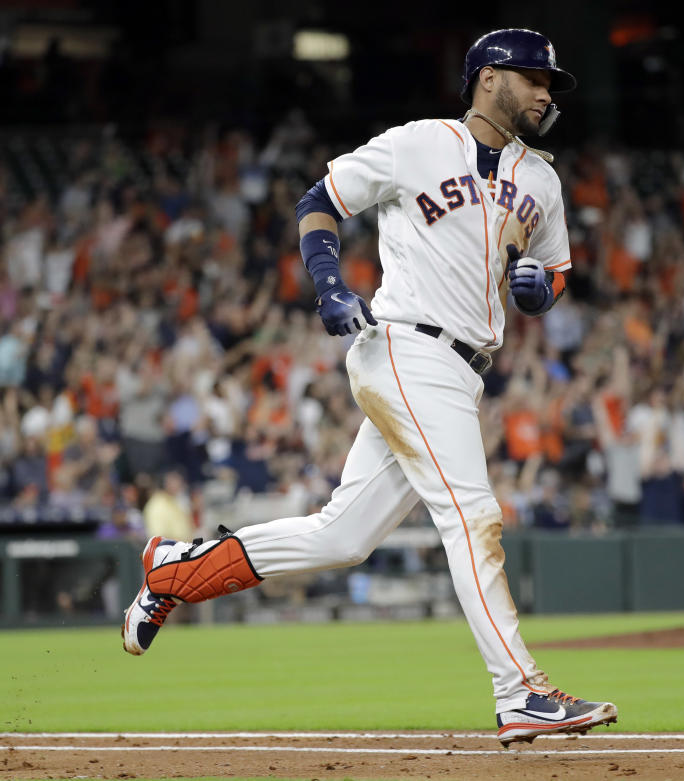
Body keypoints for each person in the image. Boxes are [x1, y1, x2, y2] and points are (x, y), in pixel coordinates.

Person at [121, 28, 617, 746]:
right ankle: (521, 691)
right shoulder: (418, 144)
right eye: (534, 78)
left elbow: (551, 276)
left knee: (341, 535)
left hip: (461, 369)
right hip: (406, 347)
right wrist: (328, 284)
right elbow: (319, 201)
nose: (546, 92)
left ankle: (174, 569)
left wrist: (543, 291)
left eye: (552, 83)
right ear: (487, 78)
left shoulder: (541, 179)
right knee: (471, 514)